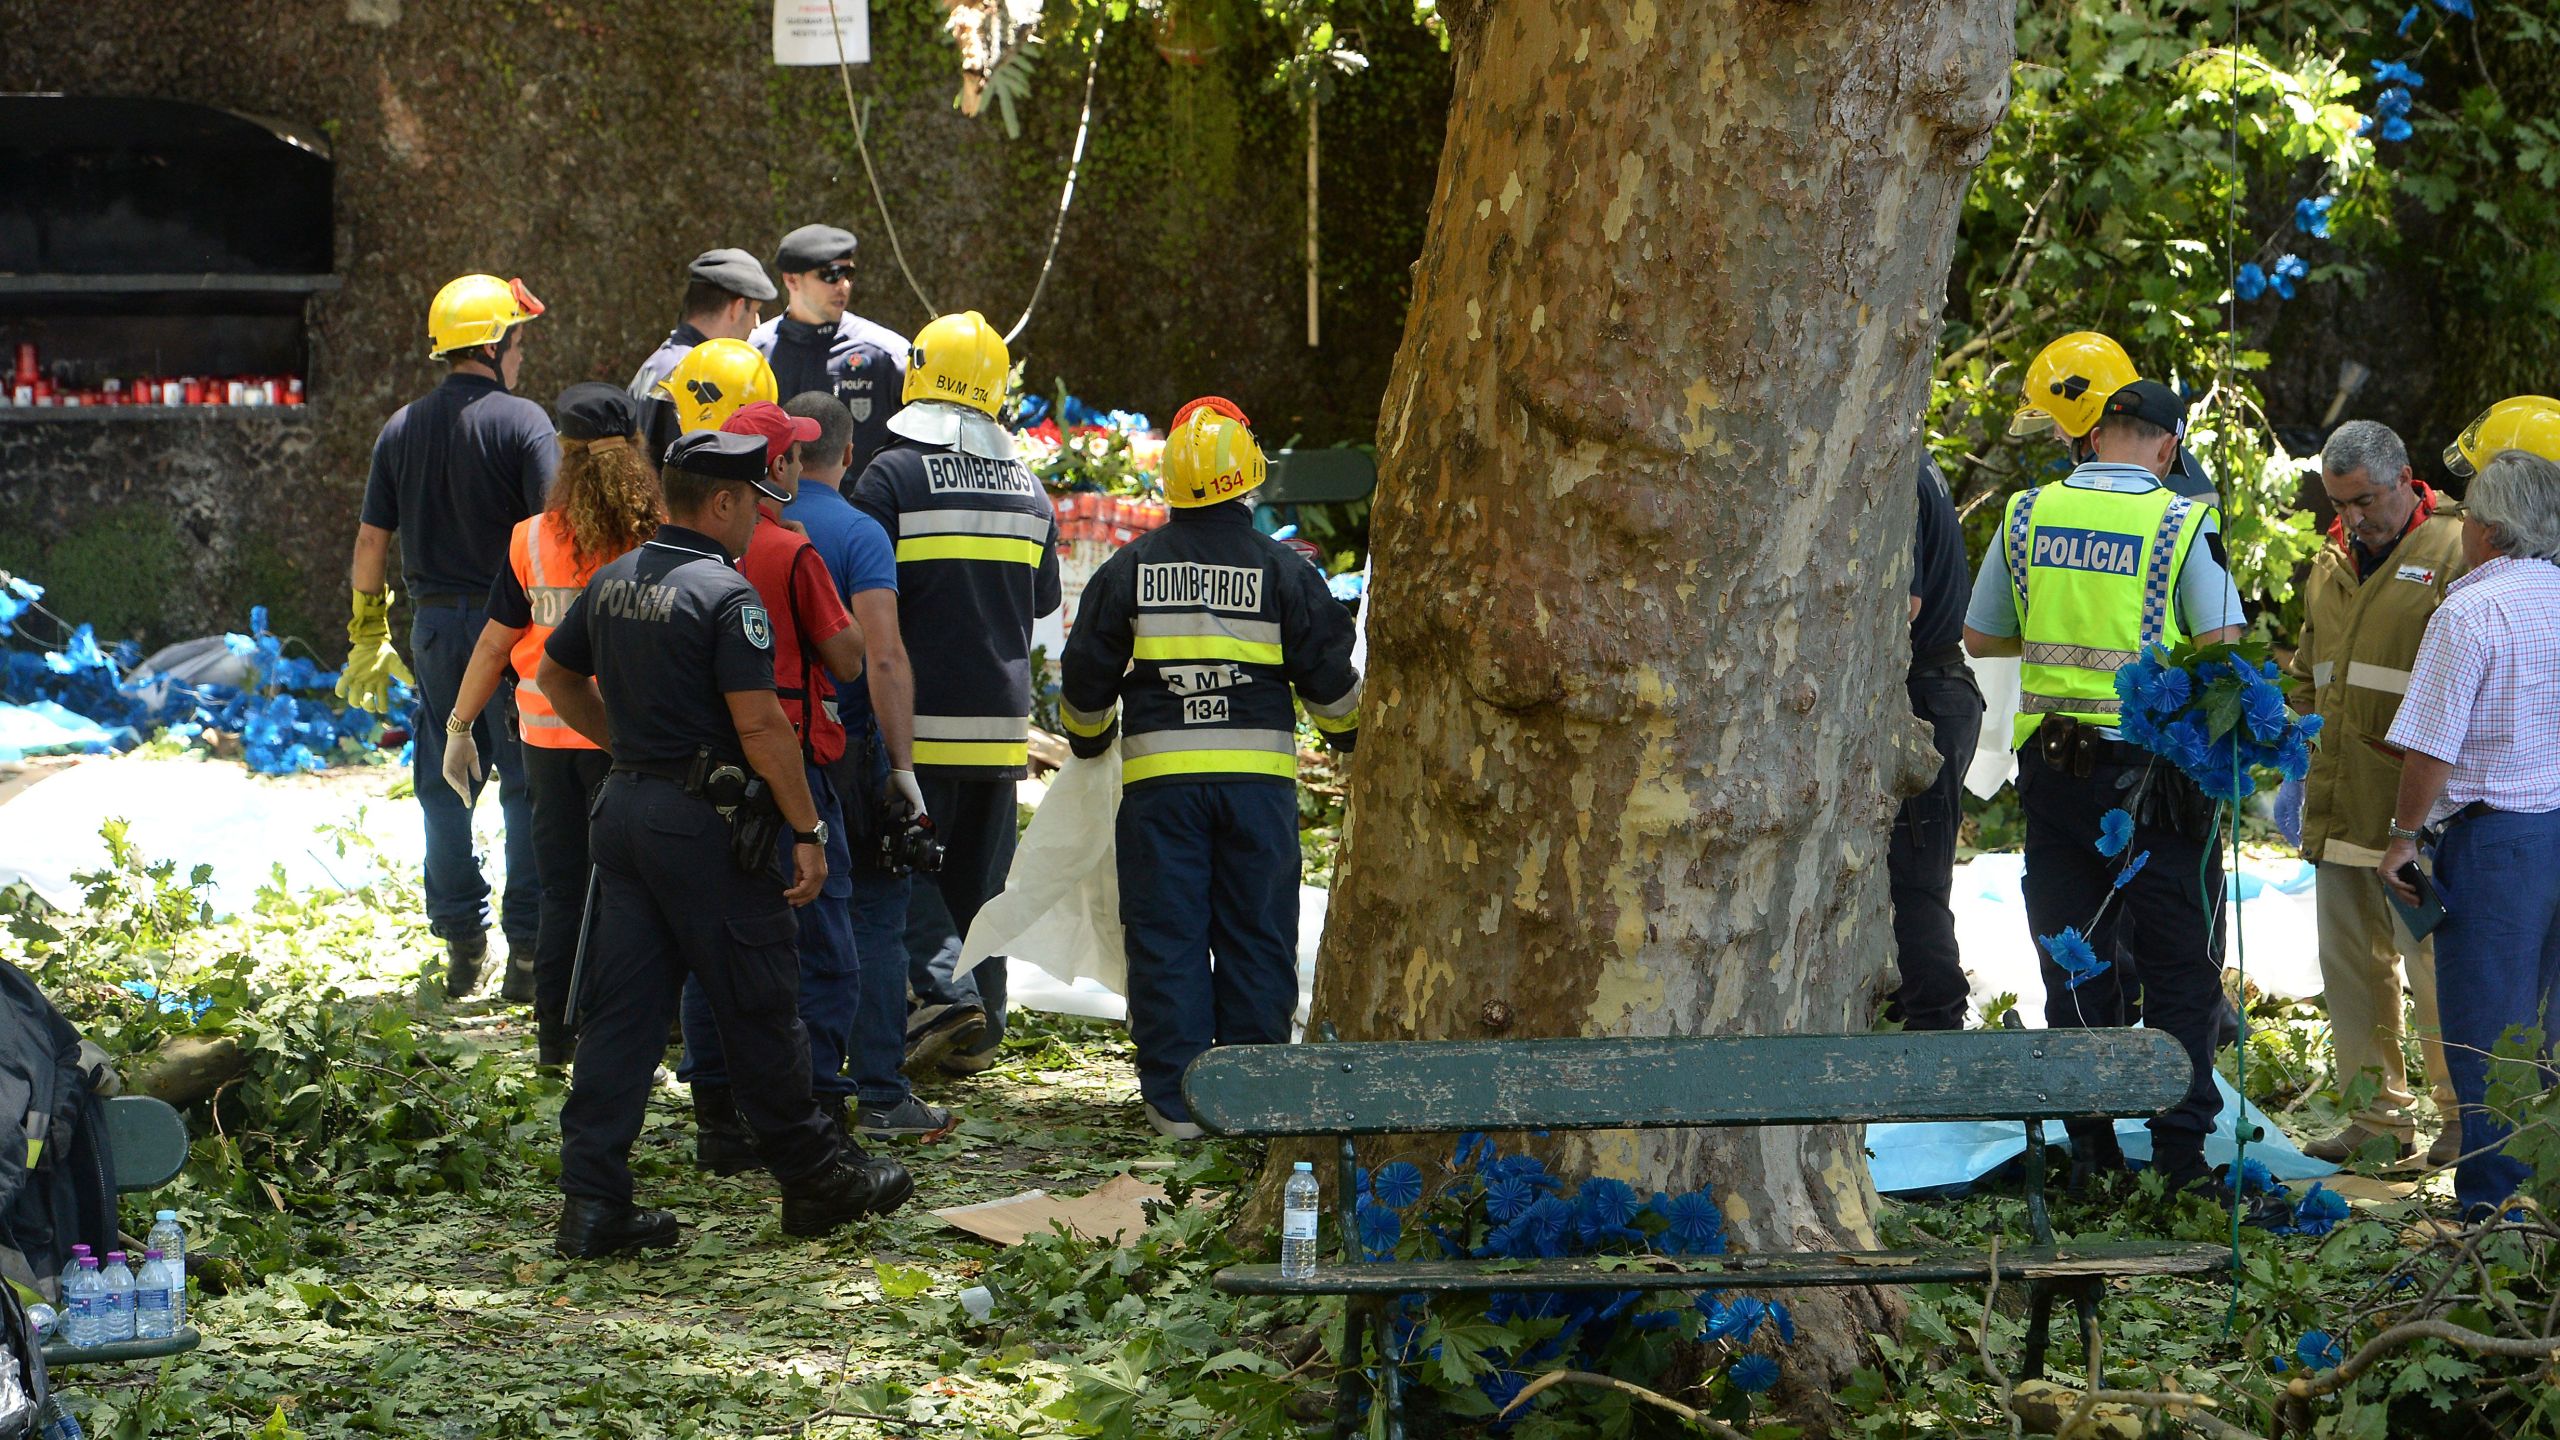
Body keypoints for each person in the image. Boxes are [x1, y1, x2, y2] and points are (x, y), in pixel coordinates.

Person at [536, 428, 913, 1258]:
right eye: (753, 504)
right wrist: (807, 828)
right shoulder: (724, 595)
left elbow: (554, 677)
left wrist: (625, 750)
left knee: (622, 1018)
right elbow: (762, 723)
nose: (758, 521)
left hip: (627, 815)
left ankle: (592, 1201)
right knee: (759, 1000)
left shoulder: (613, 580)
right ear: (722, 501)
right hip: (706, 828)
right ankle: (816, 1180)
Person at [1963, 379, 2248, 1193]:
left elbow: (1984, 632)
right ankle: (2181, 1162)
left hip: (2053, 775)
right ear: (2167, 447)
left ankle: (2091, 1154)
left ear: (2093, 438)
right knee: (2178, 965)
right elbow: (2222, 643)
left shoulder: (2026, 514)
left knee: (2073, 955)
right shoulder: (2180, 518)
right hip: (2153, 781)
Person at [1059, 398, 1360, 1140]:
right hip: (1257, 792)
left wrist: (1091, 741)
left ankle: (1177, 1101)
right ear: (1248, 482)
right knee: (1257, 930)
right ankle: (1253, 1090)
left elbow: (1084, 679)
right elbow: (1331, 685)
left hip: (1161, 793)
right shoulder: (1284, 571)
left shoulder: (1131, 569)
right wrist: (1346, 739)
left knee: (1168, 935)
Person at [674, 393, 894, 1166]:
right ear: (777, 468)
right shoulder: (790, 553)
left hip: (709, 774)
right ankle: (822, 1111)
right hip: (793, 763)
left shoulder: (686, 554)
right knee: (824, 939)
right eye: (795, 453)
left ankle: (716, 1118)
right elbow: (847, 658)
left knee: (715, 944)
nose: (804, 462)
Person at [852, 310, 1062, 1079]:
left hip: (915, 719)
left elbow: (863, 594)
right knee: (982, 881)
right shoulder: (1030, 488)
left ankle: (946, 990)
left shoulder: (891, 475)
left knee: (904, 870)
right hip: (1001, 725)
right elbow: (1041, 603)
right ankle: (982, 1036)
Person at [339, 273, 553, 1000]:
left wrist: (369, 631)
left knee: (445, 779)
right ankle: (527, 951)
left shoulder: (400, 427)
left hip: (434, 628)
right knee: (524, 784)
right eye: (519, 343)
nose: (522, 358)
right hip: (514, 623)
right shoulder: (525, 424)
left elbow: (372, 542)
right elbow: (554, 533)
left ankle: (462, 940)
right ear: (493, 345)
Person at [438, 383, 662, 1064]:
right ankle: (620, 1036)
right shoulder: (649, 537)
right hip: (624, 743)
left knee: (561, 890)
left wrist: (458, 727)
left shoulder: (530, 540)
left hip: (544, 743)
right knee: (632, 892)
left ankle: (554, 1037)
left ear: (562, 458)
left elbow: (493, 643)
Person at [2380, 448, 2560, 1222]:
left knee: (2489, 1033)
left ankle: (2495, 1212)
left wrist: (2401, 837)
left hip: (2496, 845)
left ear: (2485, 528)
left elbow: (2431, 747)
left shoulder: (2470, 610)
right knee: (2550, 1032)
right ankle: (2544, 1198)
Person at [2285, 420, 2465, 1166]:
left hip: (2416, 812)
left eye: (2363, 501)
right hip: (2337, 802)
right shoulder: (2330, 560)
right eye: (2339, 503)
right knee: (2351, 969)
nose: (2353, 518)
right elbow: (2309, 668)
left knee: (2436, 975)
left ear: (2404, 479)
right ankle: (2375, 1120)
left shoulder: (2456, 550)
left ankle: (2464, 1120)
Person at [778, 392, 949, 1140]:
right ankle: (880, 1091)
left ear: (787, 454)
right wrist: (903, 770)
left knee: (784, 920)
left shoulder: (758, 529)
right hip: (845, 748)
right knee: (877, 918)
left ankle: (796, 1095)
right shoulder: (859, 534)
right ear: (848, 455)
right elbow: (881, 655)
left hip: (766, 752)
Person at [1889, 456, 1985, 1030]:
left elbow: (1905, 606)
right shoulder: (1917, 461)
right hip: (1940, 689)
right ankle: (1915, 1000)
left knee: (1914, 874)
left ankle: (1936, 1022)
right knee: (1909, 869)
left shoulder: (1895, 470)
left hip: (1926, 693)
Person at [750, 225, 908, 479]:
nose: (843, 285)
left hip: (859, 512)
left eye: (849, 273)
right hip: (775, 512)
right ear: (791, 279)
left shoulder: (886, 354)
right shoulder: (754, 355)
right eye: (831, 274)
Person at [2011, 331, 2218, 501]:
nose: (2056, 434)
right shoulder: (2168, 460)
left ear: (2080, 405)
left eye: (2055, 419)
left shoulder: (2101, 479)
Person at [626, 249, 777, 402]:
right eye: (754, 311)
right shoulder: (698, 375)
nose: (756, 324)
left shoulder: (655, 364)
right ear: (736, 308)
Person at [641, 336, 781, 471]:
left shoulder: (697, 480)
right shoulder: (774, 471)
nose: (677, 416)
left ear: (706, 411)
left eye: (677, 406)